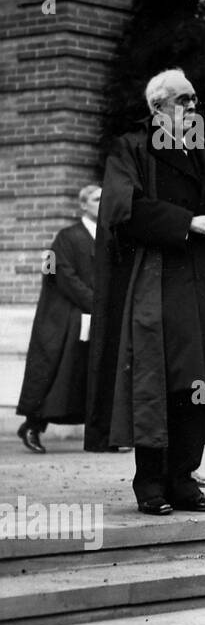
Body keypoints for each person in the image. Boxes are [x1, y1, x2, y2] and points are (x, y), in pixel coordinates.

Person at [86, 68, 205, 515]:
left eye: (195, 100)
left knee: (201, 380)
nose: (193, 108)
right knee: (161, 379)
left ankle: (184, 480)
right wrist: (186, 223)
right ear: (158, 107)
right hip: (160, 281)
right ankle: (151, 483)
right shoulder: (132, 147)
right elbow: (123, 210)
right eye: (184, 100)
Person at [17, 184, 100, 454]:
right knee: (57, 372)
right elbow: (62, 275)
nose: (103, 203)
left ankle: (102, 435)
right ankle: (33, 425)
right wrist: (95, 302)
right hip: (69, 317)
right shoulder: (67, 237)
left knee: (92, 374)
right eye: (97, 199)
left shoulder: (109, 237)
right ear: (83, 206)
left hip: (97, 316)